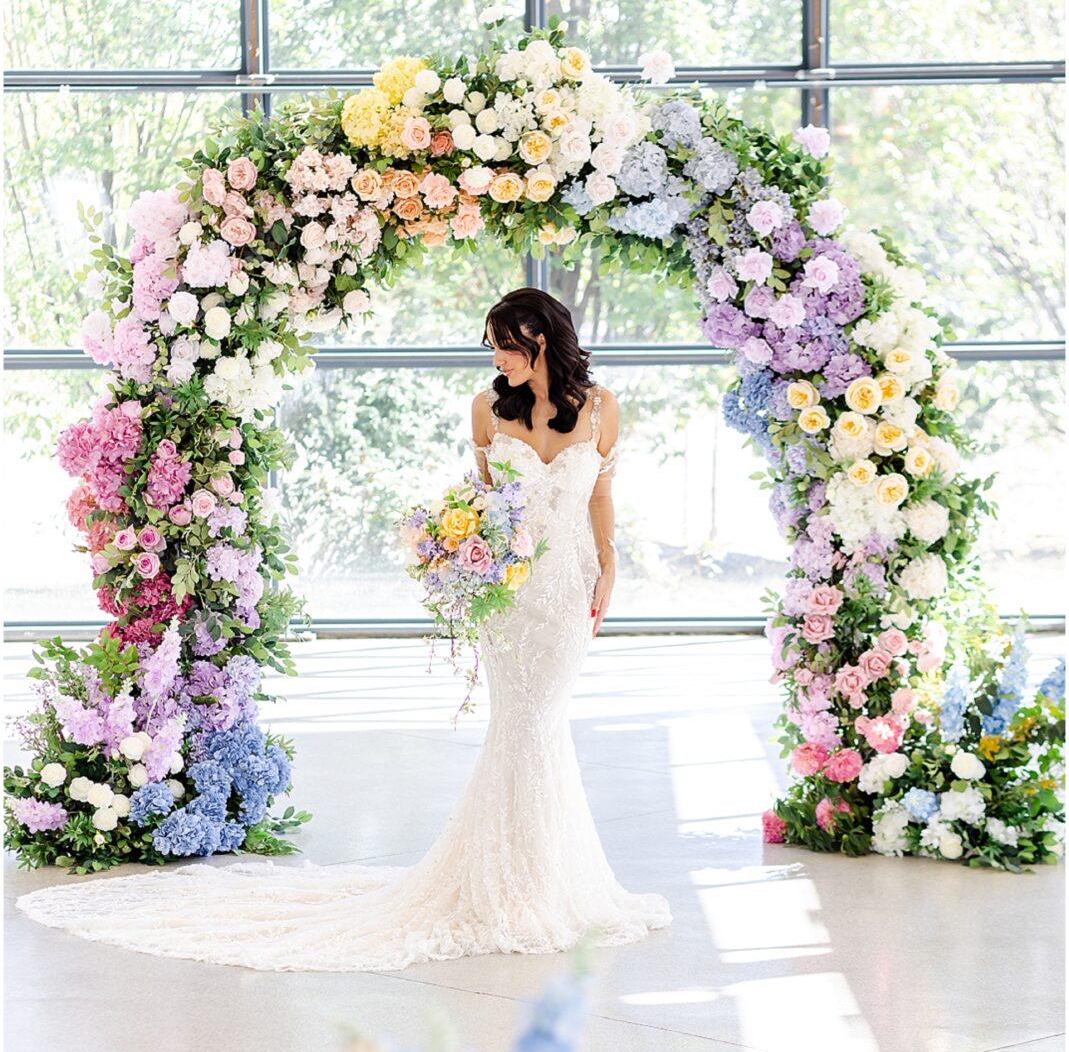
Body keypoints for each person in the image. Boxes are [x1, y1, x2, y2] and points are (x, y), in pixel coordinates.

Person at [15, 289, 672, 971]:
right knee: (520, 724)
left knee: (543, 723)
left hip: (567, 589)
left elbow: (598, 494)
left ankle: (545, 879)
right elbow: (486, 502)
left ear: (540, 341)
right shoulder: (485, 410)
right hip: (504, 597)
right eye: (490, 346)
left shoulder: (600, 408)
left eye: (503, 345)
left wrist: (609, 564)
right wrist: (455, 549)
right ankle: (514, 883)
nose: (494, 359)